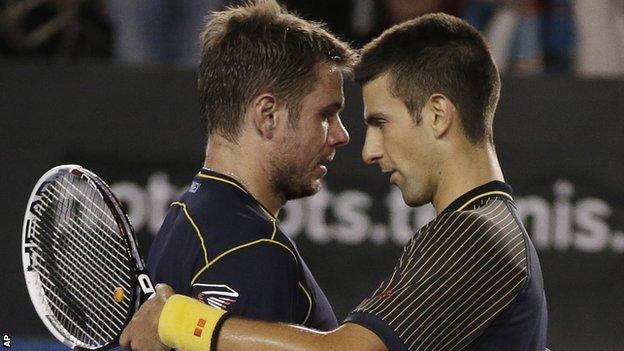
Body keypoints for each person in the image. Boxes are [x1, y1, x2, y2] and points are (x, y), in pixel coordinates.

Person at [120, 12, 548, 351]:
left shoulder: (474, 236)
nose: (365, 149)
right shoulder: (485, 230)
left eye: (380, 123)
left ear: (437, 115)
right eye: (328, 115)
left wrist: (175, 320)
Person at [143, 0, 356, 336]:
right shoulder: (256, 252)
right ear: (267, 116)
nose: (341, 135)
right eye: (326, 115)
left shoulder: (188, 212)